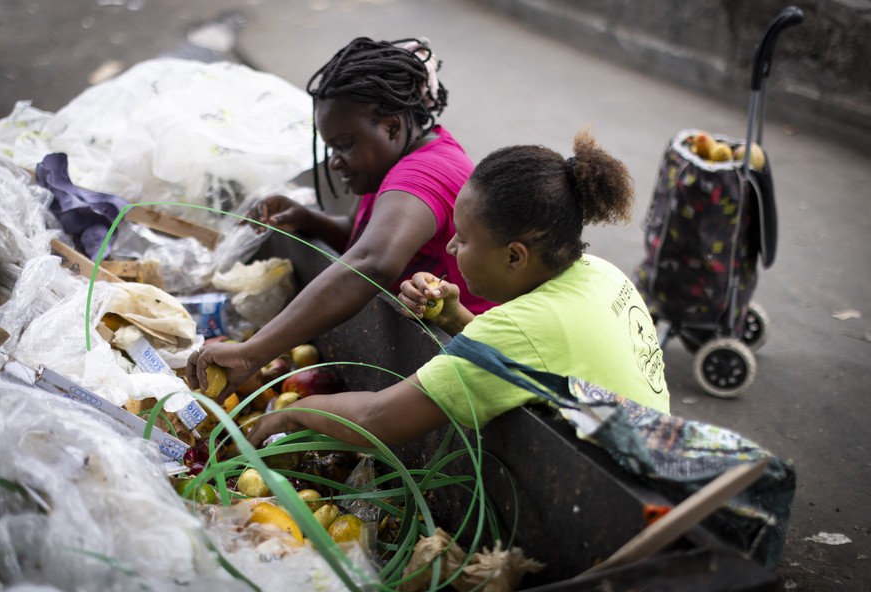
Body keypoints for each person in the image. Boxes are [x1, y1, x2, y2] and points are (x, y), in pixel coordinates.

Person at [245, 130, 671, 449]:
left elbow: (377, 419)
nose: (449, 246)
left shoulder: (518, 328)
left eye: (463, 239)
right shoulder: (601, 273)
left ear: (515, 256)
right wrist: (453, 319)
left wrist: (295, 413)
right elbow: (527, 356)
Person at [187, 37, 493, 399]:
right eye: (331, 147)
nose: (334, 161)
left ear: (392, 127)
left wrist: (251, 354)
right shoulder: (395, 163)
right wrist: (309, 220)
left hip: (464, 350)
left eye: (345, 145)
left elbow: (372, 261)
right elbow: (362, 236)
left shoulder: (422, 174)